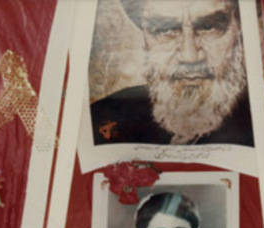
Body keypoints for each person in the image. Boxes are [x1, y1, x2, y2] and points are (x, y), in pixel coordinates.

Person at [91, 0, 253, 146]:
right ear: (145, 37)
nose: (189, 56)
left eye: (208, 27)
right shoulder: (103, 115)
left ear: (238, 29)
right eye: (165, 29)